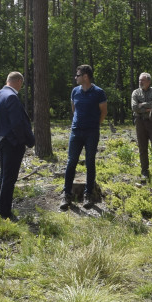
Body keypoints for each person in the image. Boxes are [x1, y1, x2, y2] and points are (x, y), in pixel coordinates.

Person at [61, 64, 108, 211]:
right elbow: (74, 109)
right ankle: (66, 194)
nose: (75, 77)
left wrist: (94, 125)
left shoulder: (99, 92)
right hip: (76, 132)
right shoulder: (75, 91)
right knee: (71, 162)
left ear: (85, 76)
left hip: (91, 132)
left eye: (78, 75)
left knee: (90, 162)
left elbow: (104, 112)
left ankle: (88, 194)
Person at [0, 71, 35, 221]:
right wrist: (24, 141)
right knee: (9, 178)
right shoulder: (11, 97)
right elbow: (17, 124)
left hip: (0, 139)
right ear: (18, 81)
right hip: (12, 142)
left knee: (4, 175)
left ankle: (0, 207)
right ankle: (5, 212)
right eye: (21, 84)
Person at [130, 72, 152, 183]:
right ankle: (144, 171)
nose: (140, 82)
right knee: (142, 148)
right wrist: (148, 108)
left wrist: (142, 105)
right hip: (140, 122)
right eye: (139, 80)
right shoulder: (135, 92)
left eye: (142, 80)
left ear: (148, 81)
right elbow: (134, 107)